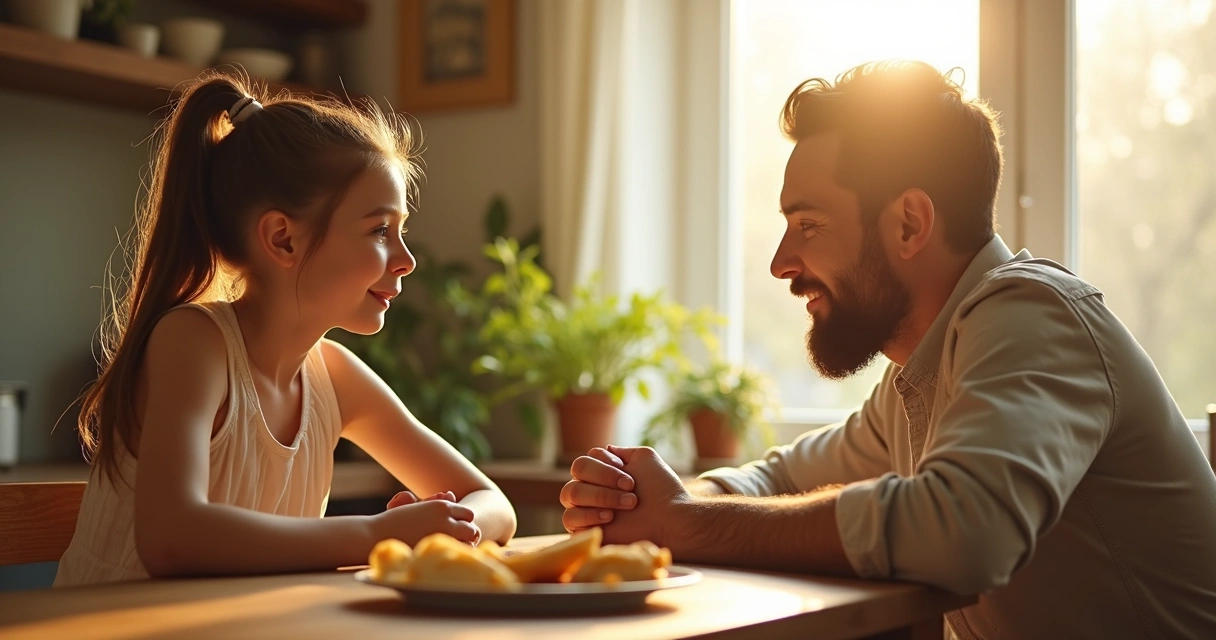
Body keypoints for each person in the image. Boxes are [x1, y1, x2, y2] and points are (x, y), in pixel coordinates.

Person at [560, 61, 1216, 638]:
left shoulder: (1034, 314)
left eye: (808, 225)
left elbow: (965, 531)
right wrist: (657, 502)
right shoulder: (919, 377)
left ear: (909, 222)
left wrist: (688, 524)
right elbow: (779, 478)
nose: (780, 264)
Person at [55, 71, 516, 586]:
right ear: (283, 239)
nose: (407, 260)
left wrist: (445, 526)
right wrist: (378, 534)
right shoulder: (194, 343)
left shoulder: (335, 377)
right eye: (380, 230)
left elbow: (496, 505)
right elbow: (171, 540)